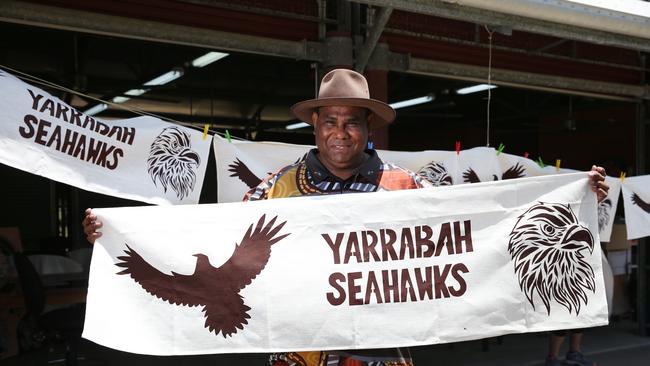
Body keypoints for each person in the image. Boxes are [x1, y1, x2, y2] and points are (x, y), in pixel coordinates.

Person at [83, 69, 609, 366]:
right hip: (301, 355)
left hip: (380, 353)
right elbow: (214, 239)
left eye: (352, 123)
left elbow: (473, 224)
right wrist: (115, 236)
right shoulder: (277, 189)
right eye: (330, 121)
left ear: (368, 129)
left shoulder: (404, 188)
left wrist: (574, 196)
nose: (340, 133)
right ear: (315, 126)